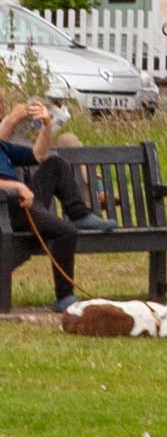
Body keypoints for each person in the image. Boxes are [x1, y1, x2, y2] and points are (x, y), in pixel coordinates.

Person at [0, 93, 81, 309]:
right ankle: (65, 297)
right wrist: (16, 186)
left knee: (54, 163)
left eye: (1, 103)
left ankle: (79, 214)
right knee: (65, 232)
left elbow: (39, 154)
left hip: (22, 204)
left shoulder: (3, 146)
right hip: (5, 211)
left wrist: (46, 124)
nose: (1, 107)